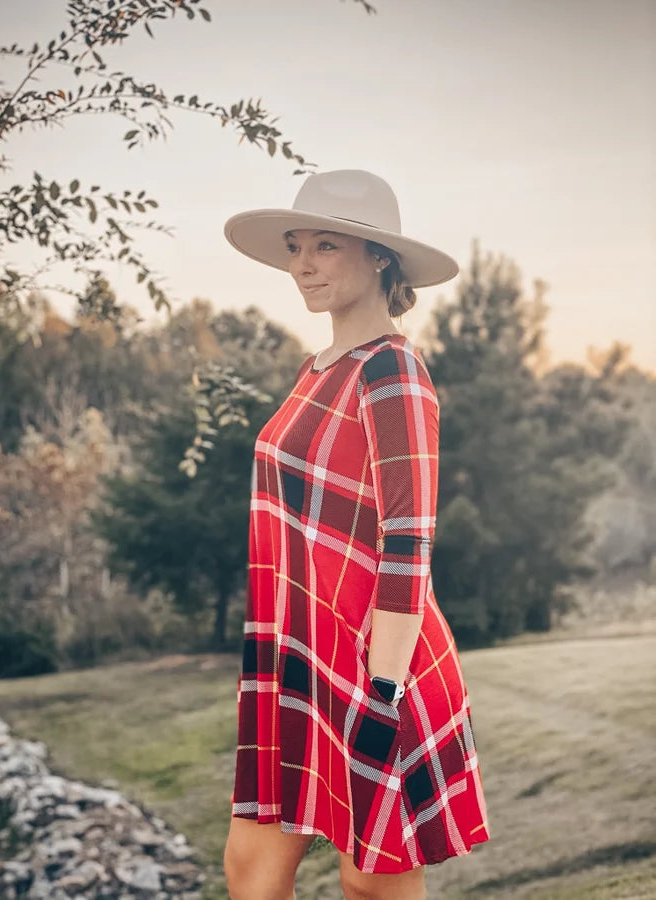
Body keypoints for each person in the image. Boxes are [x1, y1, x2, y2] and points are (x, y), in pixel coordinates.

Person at [221, 169, 490, 900]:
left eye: (325, 245)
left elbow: (407, 543)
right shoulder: (315, 371)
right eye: (296, 246)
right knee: (250, 865)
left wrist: (383, 693)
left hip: (374, 660)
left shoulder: (391, 372)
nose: (302, 264)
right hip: (299, 655)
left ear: (378, 257)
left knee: (369, 881)